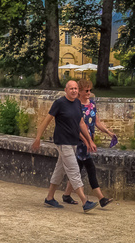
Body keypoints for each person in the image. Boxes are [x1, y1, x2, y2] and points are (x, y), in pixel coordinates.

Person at [31, 78, 97, 212]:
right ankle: (85, 201)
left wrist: (89, 140)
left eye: (75, 88)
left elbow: (81, 124)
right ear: (65, 90)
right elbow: (46, 121)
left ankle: (49, 198)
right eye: (71, 88)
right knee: (74, 170)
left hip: (73, 142)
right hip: (63, 141)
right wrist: (38, 138)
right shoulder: (59, 103)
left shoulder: (77, 103)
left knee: (60, 170)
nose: (74, 90)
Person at [63, 77, 113, 208]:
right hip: (79, 141)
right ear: (79, 91)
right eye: (86, 91)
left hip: (89, 141)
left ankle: (66, 195)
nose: (88, 93)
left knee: (77, 170)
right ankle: (101, 198)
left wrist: (108, 132)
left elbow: (97, 122)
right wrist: (86, 140)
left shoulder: (92, 104)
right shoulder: (75, 105)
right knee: (90, 168)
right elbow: (76, 126)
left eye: (90, 90)